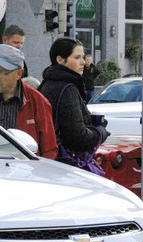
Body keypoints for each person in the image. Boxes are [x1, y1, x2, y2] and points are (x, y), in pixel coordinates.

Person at [0, 45, 57, 160]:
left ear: (19, 74)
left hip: (22, 171)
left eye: (3, 72)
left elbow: (49, 149)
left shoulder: (38, 102)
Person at [38, 37, 109, 171]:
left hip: (50, 161)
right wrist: (100, 131)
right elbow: (77, 137)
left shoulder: (46, 83)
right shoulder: (68, 89)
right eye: (77, 57)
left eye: (82, 57)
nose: (83, 62)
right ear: (60, 60)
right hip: (66, 166)